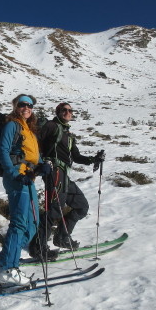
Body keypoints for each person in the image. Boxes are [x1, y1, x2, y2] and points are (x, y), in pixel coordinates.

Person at [0, 94, 51, 286]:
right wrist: (14, 173)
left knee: (33, 223)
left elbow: (33, 155)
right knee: (19, 224)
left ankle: (5, 260)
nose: (27, 108)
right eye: (23, 104)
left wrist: (42, 165)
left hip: (29, 177)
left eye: (30, 105)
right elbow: (3, 151)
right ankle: (8, 268)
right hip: (17, 177)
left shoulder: (29, 129)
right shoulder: (12, 125)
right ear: (16, 106)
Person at [33, 102, 104, 254]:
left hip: (64, 175)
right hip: (54, 172)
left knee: (81, 206)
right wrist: (43, 161)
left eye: (70, 110)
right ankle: (38, 247)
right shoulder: (51, 126)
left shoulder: (68, 135)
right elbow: (36, 143)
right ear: (57, 112)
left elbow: (76, 157)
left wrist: (94, 159)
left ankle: (62, 237)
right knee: (53, 211)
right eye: (64, 110)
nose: (67, 112)